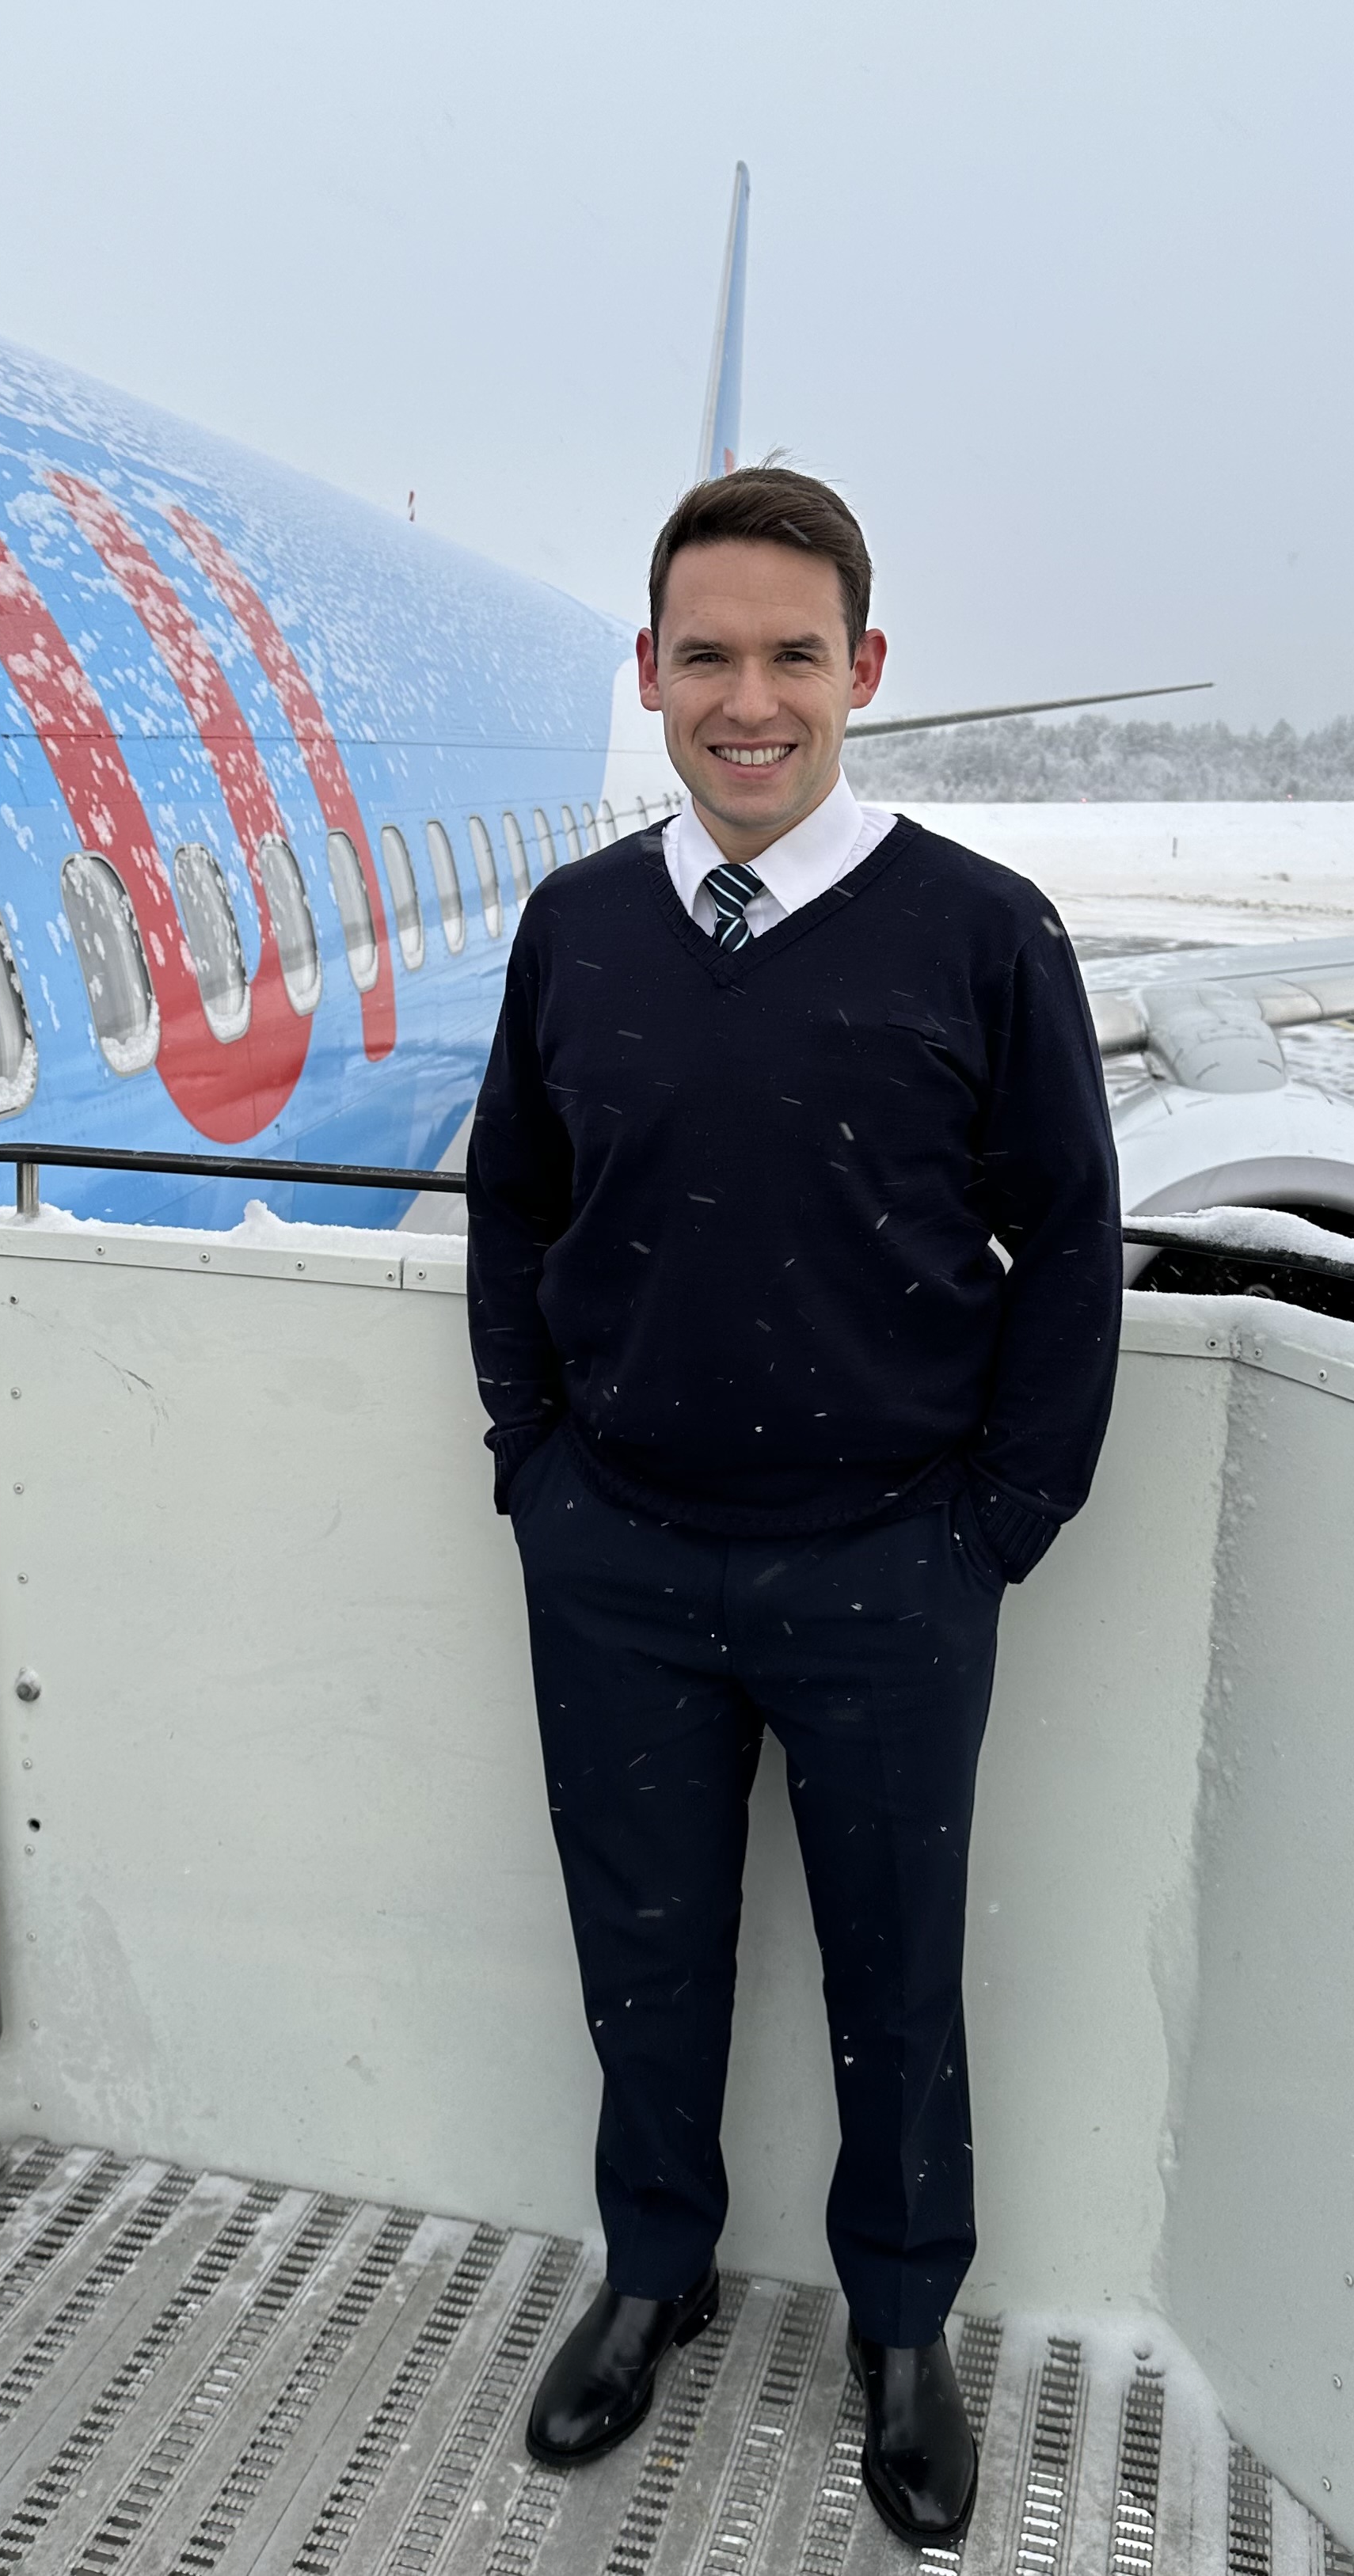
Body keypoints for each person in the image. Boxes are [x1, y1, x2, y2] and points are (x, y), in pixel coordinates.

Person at [465, 465, 1121, 2545]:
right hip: (623, 1561)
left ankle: (902, 2329)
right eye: (708, 657)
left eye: (793, 658)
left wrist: (990, 1523)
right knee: (641, 1955)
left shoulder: (979, 933)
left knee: (893, 1971)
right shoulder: (578, 930)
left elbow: (1075, 1241)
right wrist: (538, 1468)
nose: (749, 701)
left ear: (866, 674)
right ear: (652, 674)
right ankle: (650, 2275)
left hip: (884, 1572)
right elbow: (519, 1212)